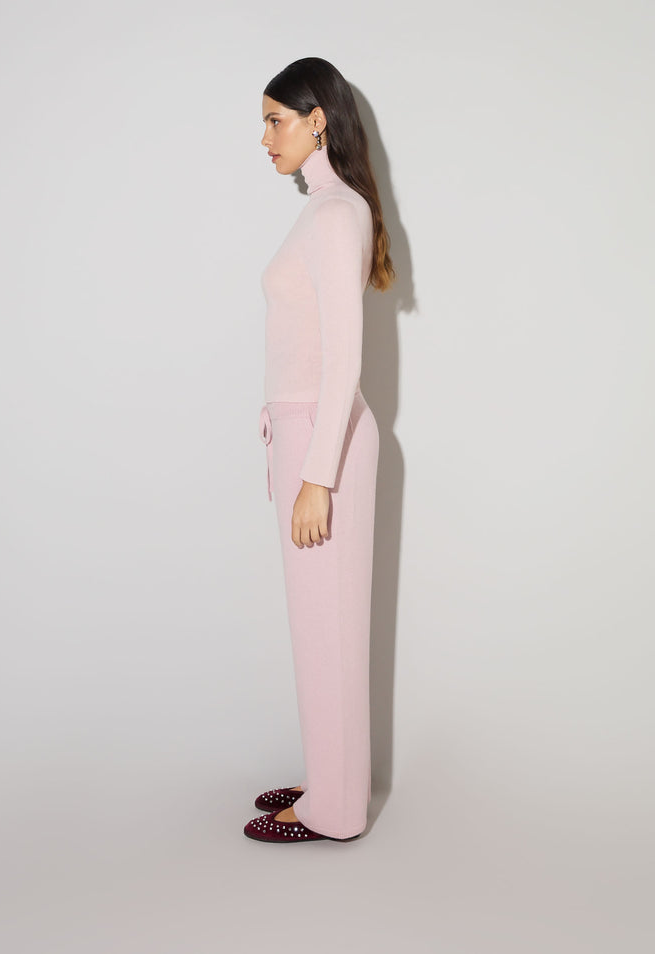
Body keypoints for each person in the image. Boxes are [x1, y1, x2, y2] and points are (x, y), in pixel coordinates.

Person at [243, 57, 395, 844]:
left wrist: (316, 476)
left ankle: (334, 809)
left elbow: (344, 361)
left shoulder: (336, 215)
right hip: (305, 434)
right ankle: (332, 779)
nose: (265, 138)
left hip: (322, 442)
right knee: (320, 623)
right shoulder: (324, 209)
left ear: (317, 122)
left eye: (276, 121)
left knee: (329, 624)